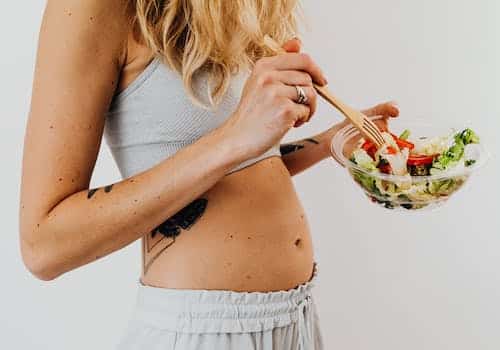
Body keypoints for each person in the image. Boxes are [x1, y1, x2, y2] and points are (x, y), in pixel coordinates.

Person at [19, 0, 398, 349]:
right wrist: (234, 136)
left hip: (297, 321)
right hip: (203, 331)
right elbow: (44, 246)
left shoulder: (245, 7)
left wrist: (330, 143)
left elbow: (237, 165)